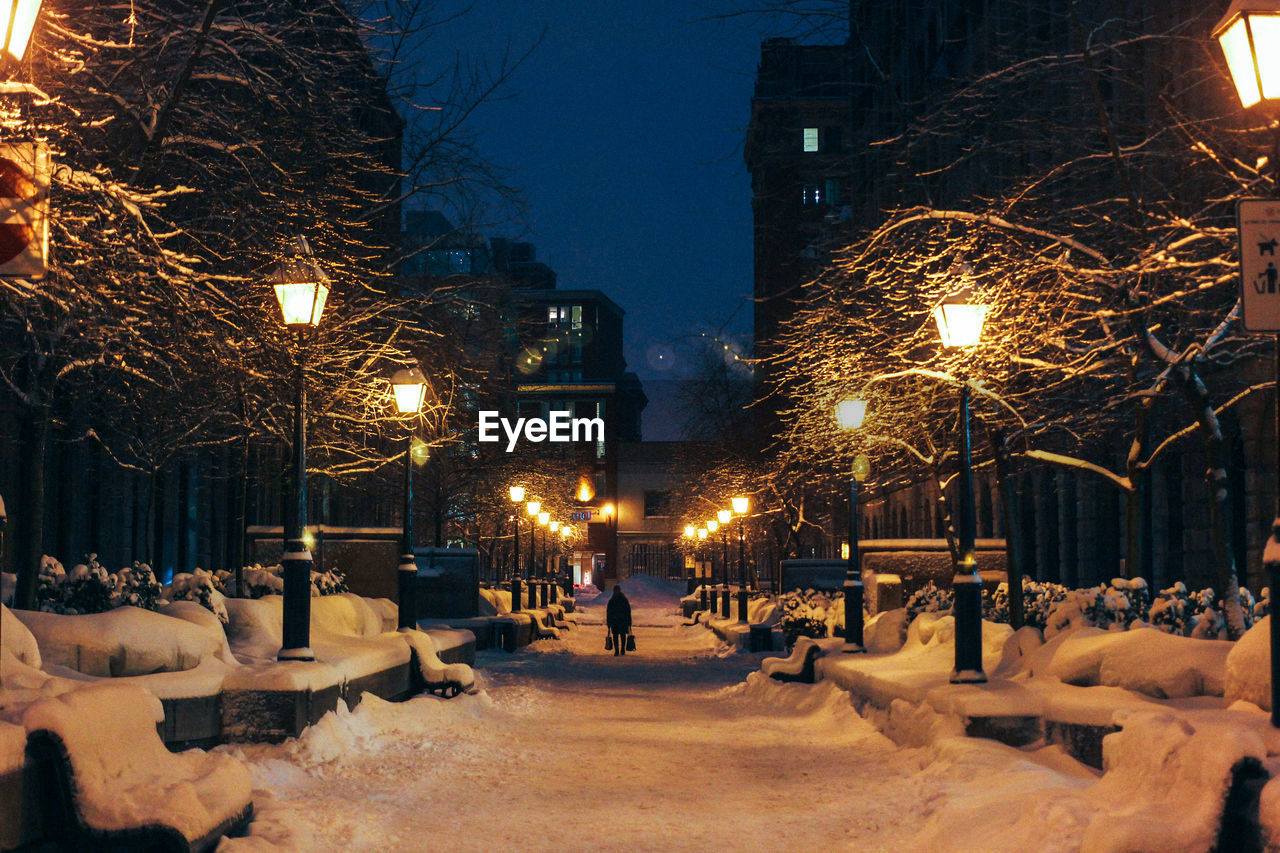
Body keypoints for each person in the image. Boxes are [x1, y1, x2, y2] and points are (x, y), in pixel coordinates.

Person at [606, 584, 632, 656]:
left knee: (621, 635)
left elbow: (627, 612)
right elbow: (609, 612)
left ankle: (621, 649)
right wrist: (609, 622)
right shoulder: (623, 600)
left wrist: (629, 622)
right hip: (618, 621)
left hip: (620, 621)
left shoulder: (613, 600)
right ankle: (618, 650)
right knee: (617, 636)